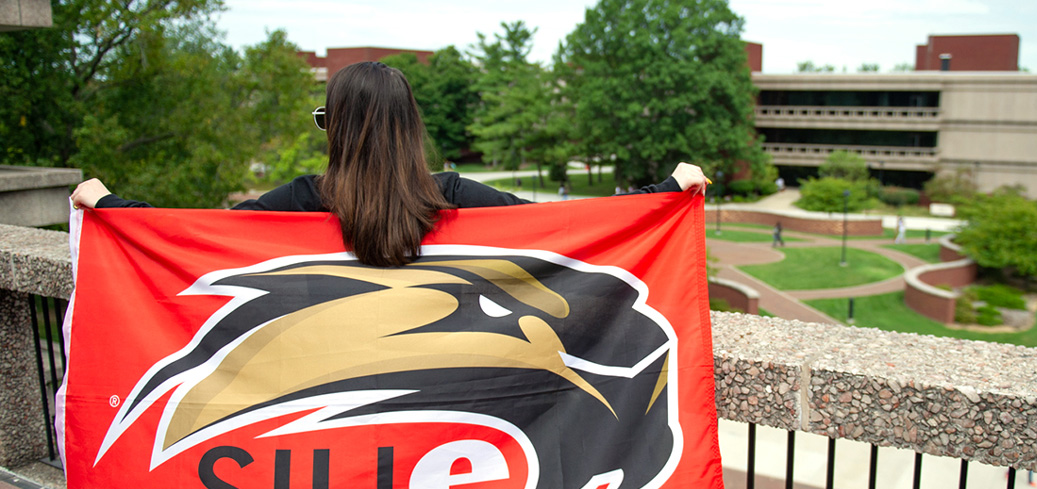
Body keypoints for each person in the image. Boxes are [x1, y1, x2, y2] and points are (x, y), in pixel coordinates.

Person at [70, 61, 707, 267]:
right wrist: (666, 192)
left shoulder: (296, 201)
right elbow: (569, 230)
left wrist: (107, 206)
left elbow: (190, 236)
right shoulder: (453, 194)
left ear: (336, 130)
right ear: (409, 131)